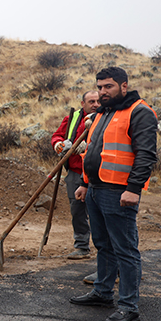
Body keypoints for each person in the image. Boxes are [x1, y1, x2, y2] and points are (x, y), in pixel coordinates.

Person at [69, 67, 158, 321]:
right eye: (99, 87)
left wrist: (133, 188)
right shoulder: (103, 113)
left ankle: (129, 307)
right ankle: (103, 292)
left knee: (125, 250)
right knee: (103, 245)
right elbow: (92, 151)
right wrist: (85, 183)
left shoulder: (139, 112)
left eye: (108, 86)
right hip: (95, 189)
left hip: (119, 192)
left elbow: (146, 154)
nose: (102, 92)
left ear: (123, 86)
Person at [51, 90, 100, 260]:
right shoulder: (72, 118)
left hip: (97, 173)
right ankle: (82, 247)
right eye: (91, 102)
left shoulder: (106, 117)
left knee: (100, 211)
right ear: (83, 104)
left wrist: (88, 147)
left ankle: (106, 249)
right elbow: (57, 135)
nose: (95, 105)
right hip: (75, 172)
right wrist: (59, 145)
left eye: (98, 101)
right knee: (77, 210)